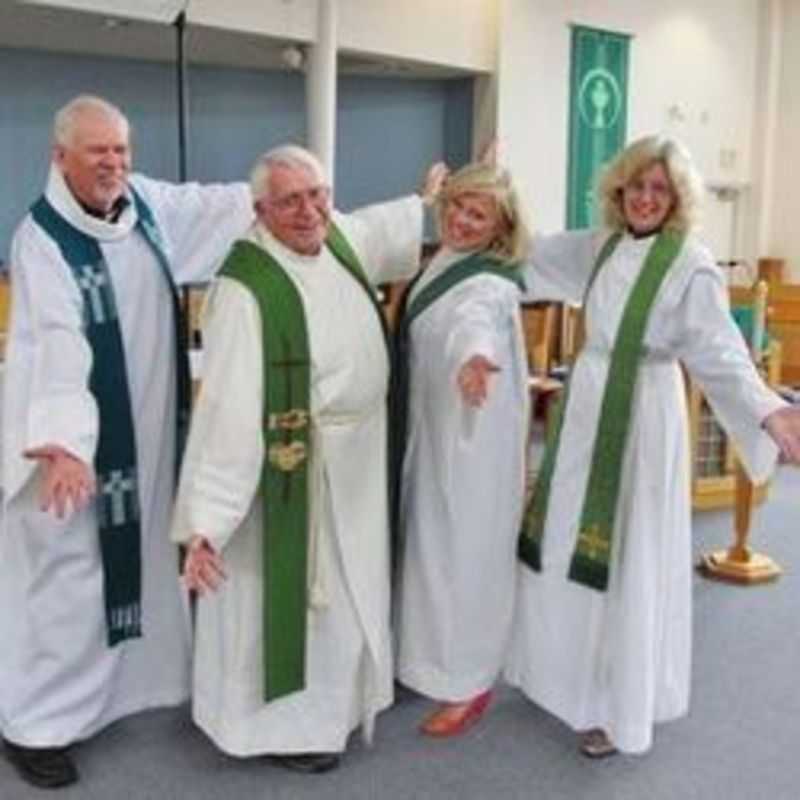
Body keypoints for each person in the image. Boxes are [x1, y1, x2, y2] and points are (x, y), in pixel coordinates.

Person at [505, 134, 800, 758]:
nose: (644, 198)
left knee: (626, 555)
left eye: (659, 189)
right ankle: (565, 680)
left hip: (642, 412)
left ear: (677, 199)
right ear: (618, 188)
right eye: (636, 185)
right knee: (564, 537)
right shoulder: (602, 245)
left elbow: (719, 348)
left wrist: (768, 410)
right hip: (588, 404)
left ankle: (618, 706)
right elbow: (527, 257)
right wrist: (492, 194)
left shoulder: (688, 262)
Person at [0, 94, 253, 789]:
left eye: (121, 150)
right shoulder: (43, 239)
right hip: (71, 452)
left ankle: (128, 692)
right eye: (96, 152)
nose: (113, 164)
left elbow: (217, 205)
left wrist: (282, 189)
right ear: (60, 157)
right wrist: (66, 443)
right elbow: (57, 343)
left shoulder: (143, 206)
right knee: (68, 580)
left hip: (145, 434)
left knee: (137, 561)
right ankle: (35, 723)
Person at [171, 145, 444, 773]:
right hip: (292, 473)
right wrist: (208, 522)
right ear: (260, 209)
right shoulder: (246, 288)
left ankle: (340, 708)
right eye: (289, 201)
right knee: (302, 601)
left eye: (317, 194)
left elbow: (376, 228)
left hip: (357, 460)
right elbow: (229, 413)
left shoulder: (336, 234)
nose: (309, 210)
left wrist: (425, 203)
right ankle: (287, 730)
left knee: (349, 595)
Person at [394, 162, 530, 737]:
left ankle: (469, 680)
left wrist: (475, 359)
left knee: (462, 556)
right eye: (457, 206)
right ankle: (425, 661)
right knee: (428, 551)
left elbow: (474, 322)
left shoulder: (489, 282)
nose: (463, 221)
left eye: (479, 215)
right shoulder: (438, 264)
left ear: (499, 229)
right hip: (430, 427)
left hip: (468, 440)